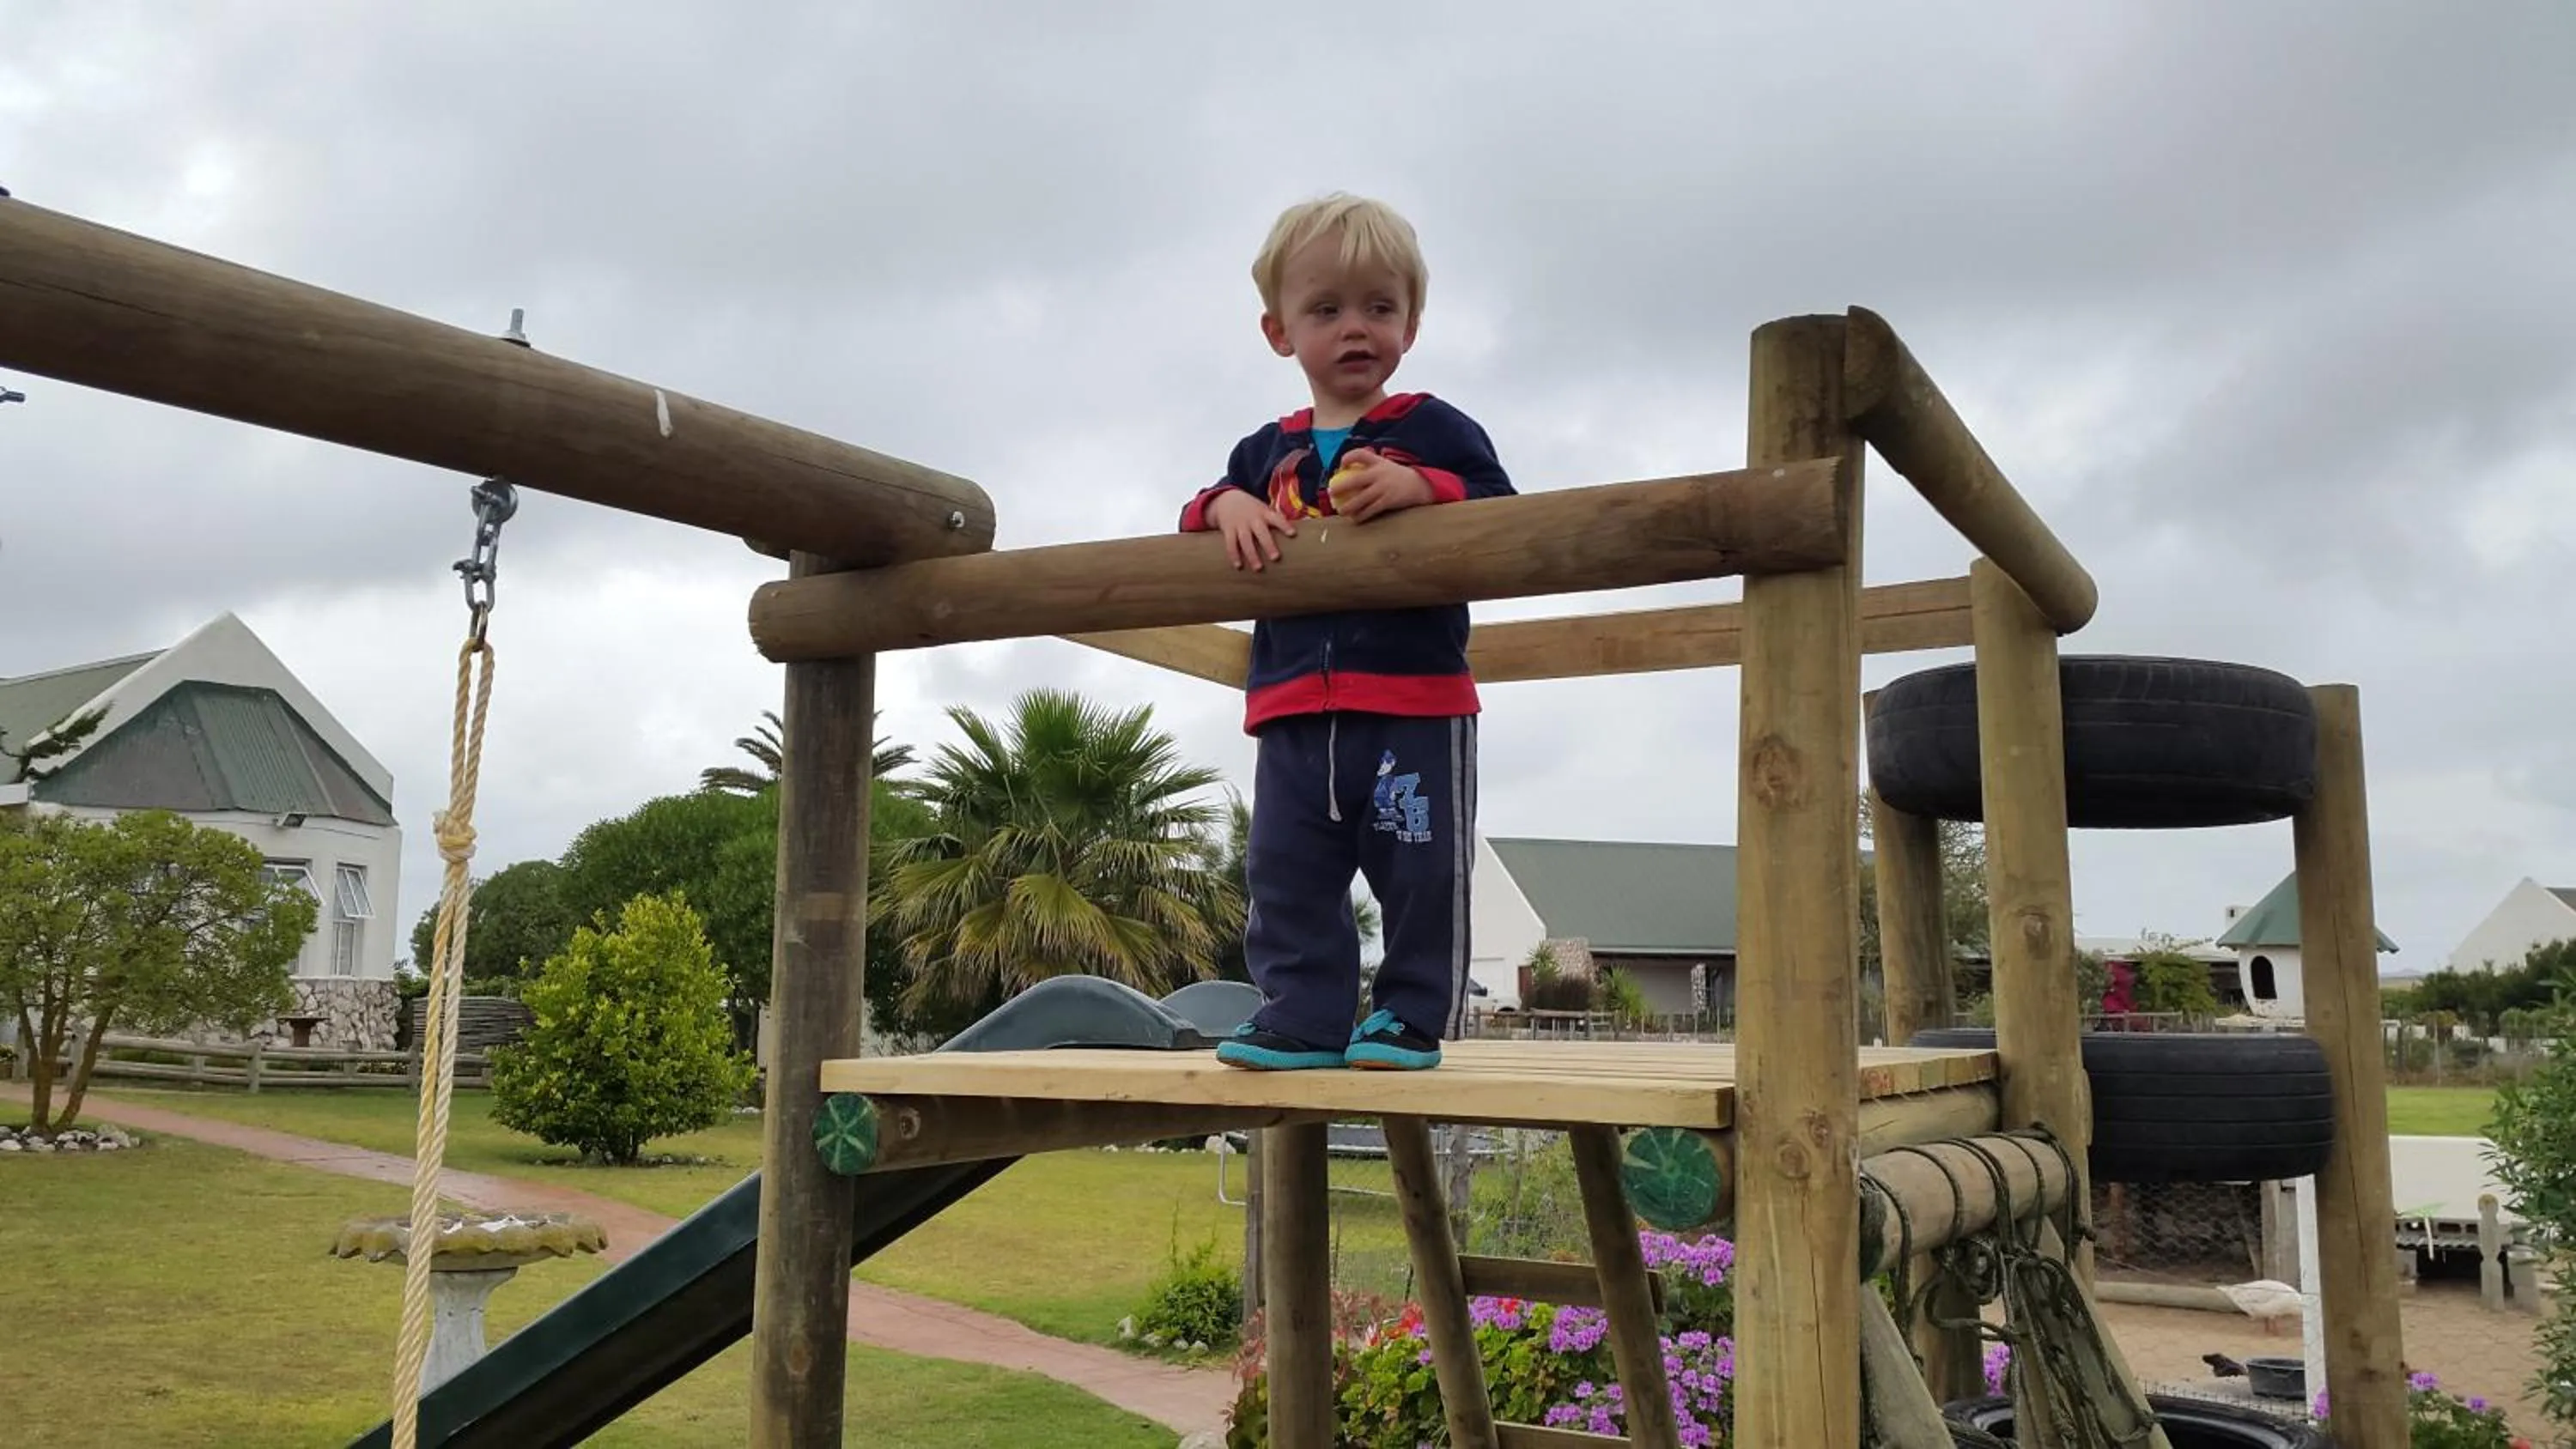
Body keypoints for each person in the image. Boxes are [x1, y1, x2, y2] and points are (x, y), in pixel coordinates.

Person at [1177, 193, 1514, 1071]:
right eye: (1326, 309)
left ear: (1411, 323)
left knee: (1420, 867)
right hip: (1292, 705)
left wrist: (1424, 492)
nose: (1354, 328)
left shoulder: (1432, 428)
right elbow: (1191, 511)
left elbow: (1505, 516)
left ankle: (1408, 1013)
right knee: (1286, 869)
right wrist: (1228, 504)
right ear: (1280, 331)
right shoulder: (1264, 452)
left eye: (1379, 307)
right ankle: (1301, 1012)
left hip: (1412, 701)